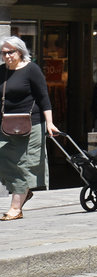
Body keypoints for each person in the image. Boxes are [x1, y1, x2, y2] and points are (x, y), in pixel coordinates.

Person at [0, 36, 59, 221]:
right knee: (5, 161)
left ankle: (15, 208)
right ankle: (24, 191)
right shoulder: (1, 71)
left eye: (11, 52)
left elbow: (43, 98)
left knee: (24, 165)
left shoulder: (31, 69)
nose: (7, 56)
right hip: (5, 124)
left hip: (31, 124)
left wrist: (49, 123)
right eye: (4, 53)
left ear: (20, 51)